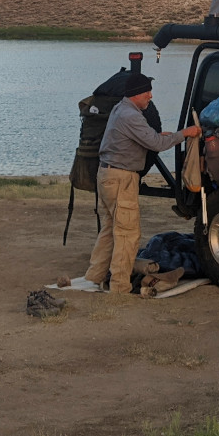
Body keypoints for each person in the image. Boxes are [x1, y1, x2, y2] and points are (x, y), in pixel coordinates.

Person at [85, 72, 200, 292]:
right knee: (128, 232)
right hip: (121, 179)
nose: (150, 95)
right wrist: (185, 133)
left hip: (107, 176)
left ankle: (95, 275)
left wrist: (166, 134)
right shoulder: (131, 116)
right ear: (136, 93)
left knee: (111, 228)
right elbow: (156, 143)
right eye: (146, 91)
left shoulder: (121, 109)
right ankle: (120, 286)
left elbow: (145, 137)